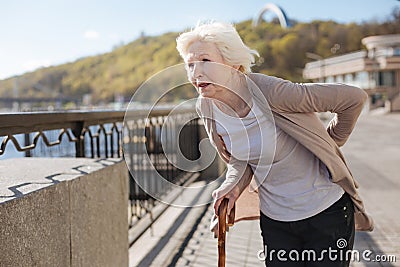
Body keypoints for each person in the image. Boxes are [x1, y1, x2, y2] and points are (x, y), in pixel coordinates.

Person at [176, 21, 373, 267]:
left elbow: (353, 99)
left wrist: (330, 143)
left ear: (233, 64)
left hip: (325, 212)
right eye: (190, 65)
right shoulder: (206, 107)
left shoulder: (271, 92)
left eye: (205, 61)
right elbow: (241, 158)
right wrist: (232, 187)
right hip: (276, 220)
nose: (196, 73)